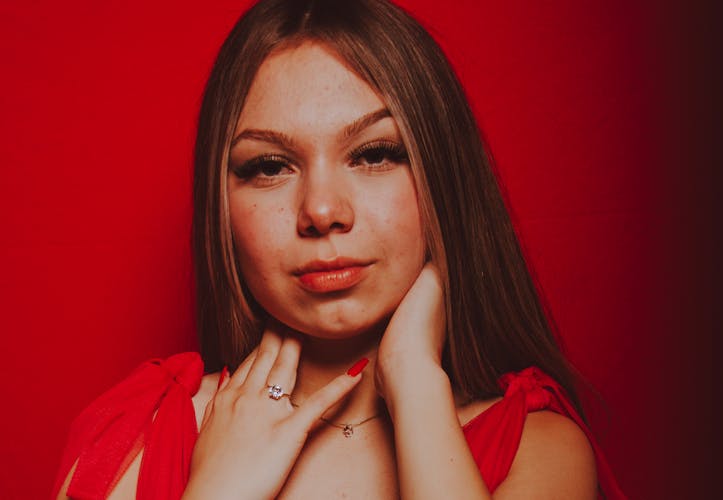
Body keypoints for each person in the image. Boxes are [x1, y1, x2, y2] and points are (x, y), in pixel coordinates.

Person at [53, 0, 625, 498]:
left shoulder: (536, 447)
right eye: (270, 166)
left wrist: (416, 382)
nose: (322, 211)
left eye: (374, 154)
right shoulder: (138, 434)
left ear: (442, 179)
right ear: (219, 205)